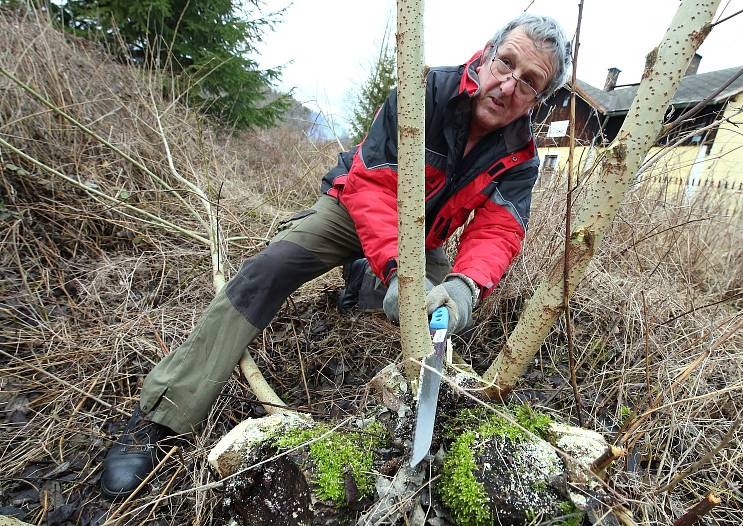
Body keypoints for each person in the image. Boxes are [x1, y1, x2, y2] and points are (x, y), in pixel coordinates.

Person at [99, 13, 572, 498]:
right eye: (505, 63)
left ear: (541, 97)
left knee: (434, 321)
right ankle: (159, 415)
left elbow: (499, 229)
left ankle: (364, 282)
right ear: (489, 53)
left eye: (528, 82)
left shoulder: (523, 157)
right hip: (355, 204)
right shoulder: (424, 91)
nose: (507, 84)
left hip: (424, 237)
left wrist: (465, 285)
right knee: (269, 270)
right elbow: (373, 185)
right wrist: (397, 272)